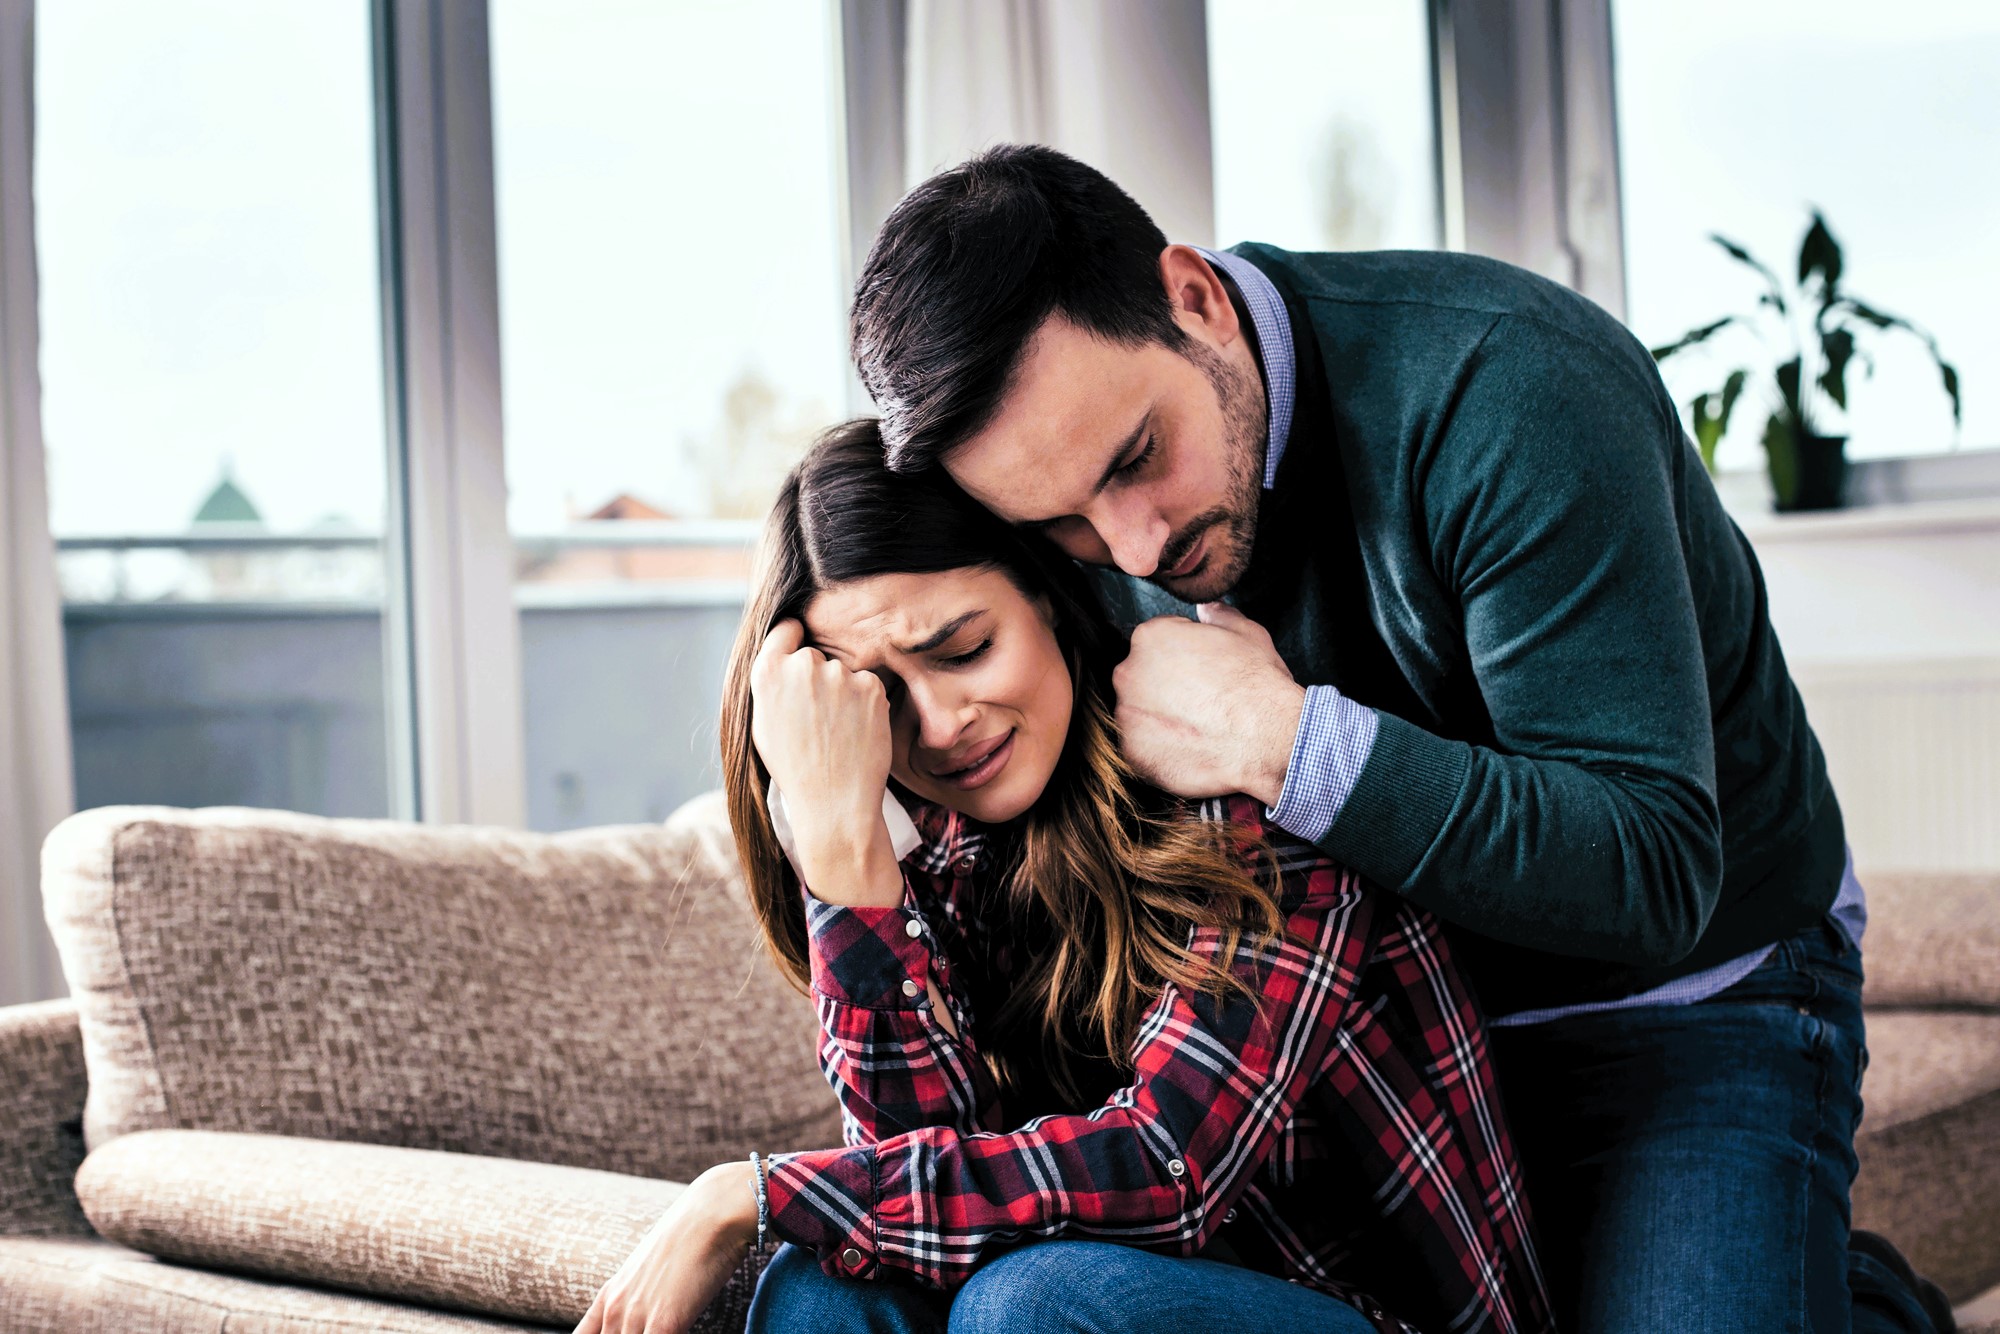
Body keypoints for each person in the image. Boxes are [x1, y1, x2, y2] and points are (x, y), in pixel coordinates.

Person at [840, 142, 1959, 1334]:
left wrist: (1284, 739)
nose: (1131, 549)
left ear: (1195, 298)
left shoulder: (1510, 383)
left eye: (1135, 459)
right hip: (1392, 1040)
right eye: (1059, 519)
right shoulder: (1071, 510)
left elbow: (1650, 874)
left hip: (1692, 992)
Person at [573, 419, 1554, 1334]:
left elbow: (1165, 1172)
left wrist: (746, 1193)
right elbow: (914, 1210)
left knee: (1027, 1302)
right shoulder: (940, 851)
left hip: (1371, 1313)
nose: (941, 723)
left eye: (963, 648)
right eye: (879, 700)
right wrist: (840, 851)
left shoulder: (1229, 784)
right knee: (826, 1287)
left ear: (1045, 594)